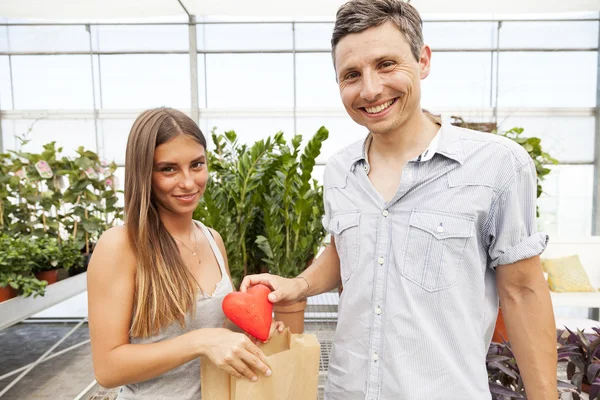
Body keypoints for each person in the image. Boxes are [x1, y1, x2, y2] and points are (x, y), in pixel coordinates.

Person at [240, 1, 557, 399]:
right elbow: (346, 248)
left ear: (423, 60)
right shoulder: (340, 171)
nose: (370, 89)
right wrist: (299, 285)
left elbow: (523, 291)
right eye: (351, 75)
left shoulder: (496, 165)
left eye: (387, 64)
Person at [87, 107, 282, 399]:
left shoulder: (212, 239)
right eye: (169, 169)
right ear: (144, 174)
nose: (189, 182)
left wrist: (250, 329)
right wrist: (201, 341)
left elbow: (218, 333)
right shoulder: (121, 246)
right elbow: (107, 369)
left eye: (197, 164)